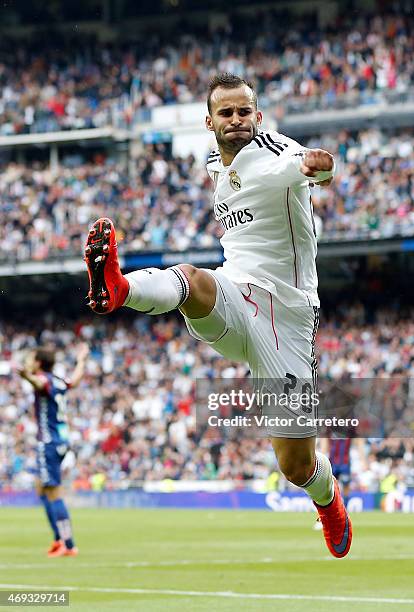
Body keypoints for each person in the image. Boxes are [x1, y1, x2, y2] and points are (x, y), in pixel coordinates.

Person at [84, 73, 352, 557]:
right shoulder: (214, 161)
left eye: (244, 111)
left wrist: (319, 165)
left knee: (295, 466)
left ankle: (328, 500)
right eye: (226, 113)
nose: (236, 121)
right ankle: (119, 289)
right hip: (235, 291)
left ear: (259, 116)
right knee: (193, 280)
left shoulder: (273, 155)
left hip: (287, 321)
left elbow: (314, 167)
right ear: (208, 121)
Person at [18, 343, 89, 557]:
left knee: (54, 492)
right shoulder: (58, 380)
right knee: (42, 488)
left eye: (31, 359)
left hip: (48, 443)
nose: (28, 362)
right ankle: (59, 539)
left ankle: (67, 543)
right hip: (59, 441)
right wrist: (81, 360)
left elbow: (37, 382)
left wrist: (26, 376)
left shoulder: (44, 380)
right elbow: (74, 380)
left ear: (39, 363)